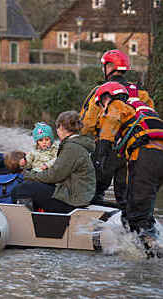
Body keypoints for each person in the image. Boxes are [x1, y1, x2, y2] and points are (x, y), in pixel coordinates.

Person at [79, 49, 154, 213]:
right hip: (133, 152)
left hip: (106, 150)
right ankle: (127, 228)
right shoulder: (140, 93)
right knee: (125, 197)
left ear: (110, 67)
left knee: (93, 193)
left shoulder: (101, 91)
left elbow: (87, 125)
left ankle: (94, 226)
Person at [94, 81, 163, 254]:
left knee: (136, 214)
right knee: (136, 208)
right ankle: (146, 242)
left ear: (107, 97)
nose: (102, 109)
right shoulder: (144, 108)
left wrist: (102, 148)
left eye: (101, 104)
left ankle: (152, 253)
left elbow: (111, 120)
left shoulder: (117, 104)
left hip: (148, 156)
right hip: (154, 158)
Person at [11, 111, 96, 213]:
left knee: (22, 189)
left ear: (61, 127)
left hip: (72, 199)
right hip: (73, 192)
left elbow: (54, 175)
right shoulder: (75, 144)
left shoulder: (72, 148)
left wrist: (29, 175)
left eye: (57, 128)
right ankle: (39, 217)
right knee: (26, 187)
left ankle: (30, 223)